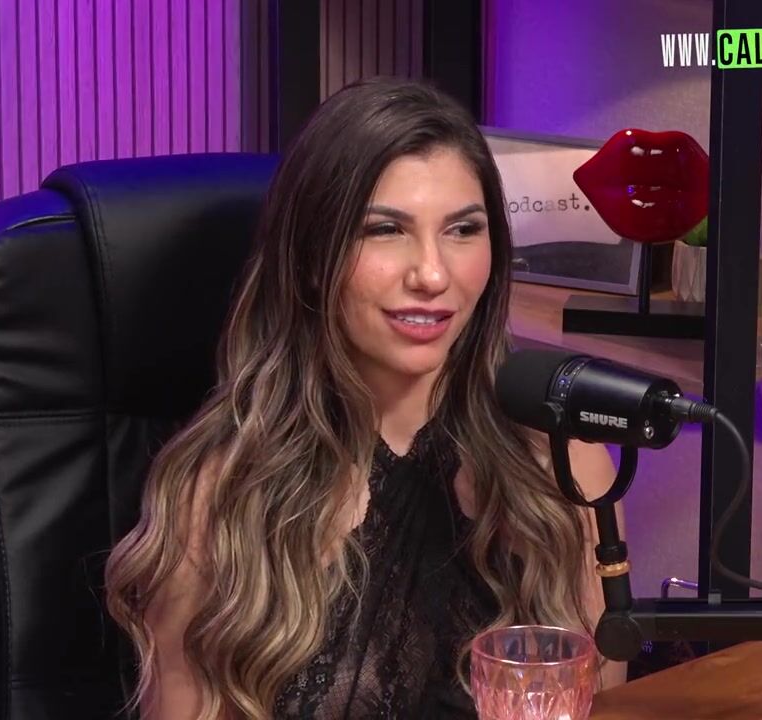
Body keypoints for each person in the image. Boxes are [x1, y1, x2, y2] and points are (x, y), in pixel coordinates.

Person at [105, 77, 626, 719]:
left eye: (463, 229)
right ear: (312, 257)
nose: (432, 274)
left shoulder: (564, 465)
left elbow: (610, 702)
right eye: (385, 230)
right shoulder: (221, 499)